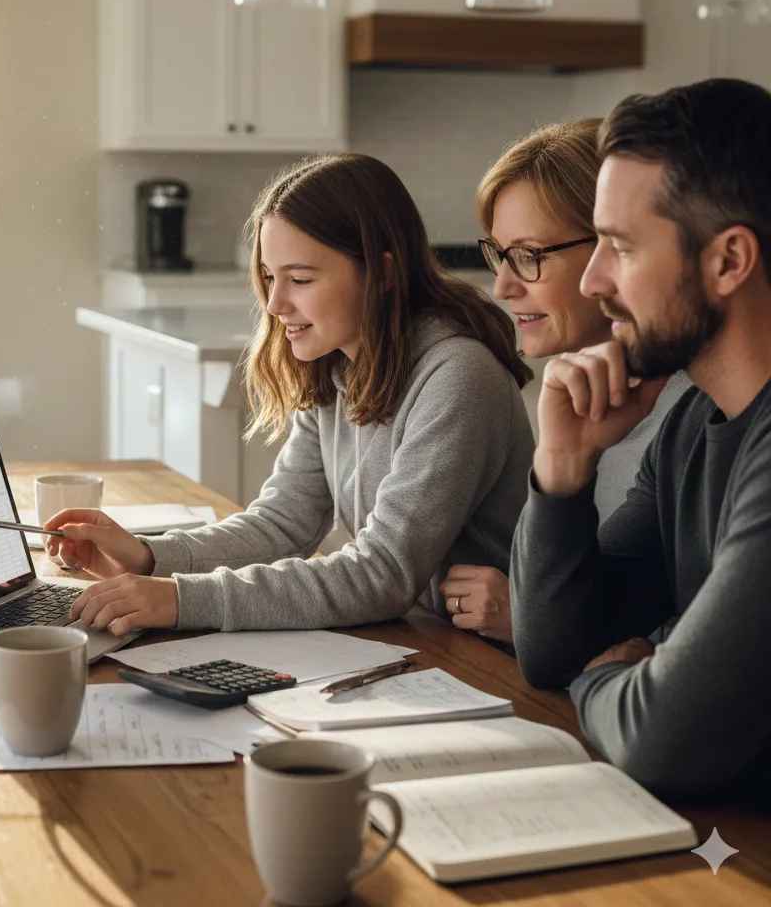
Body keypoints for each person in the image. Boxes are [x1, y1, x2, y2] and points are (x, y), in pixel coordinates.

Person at [46, 153, 535, 635]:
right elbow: (282, 525)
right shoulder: (336, 364)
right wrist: (149, 557)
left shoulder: (459, 379)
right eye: (269, 278)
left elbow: (381, 574)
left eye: (300, 279)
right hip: (431, 635)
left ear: (384, 275)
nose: (276, 304)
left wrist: (179, 599)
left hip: (497, 659)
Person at [511, 78, 771, 803]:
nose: (593, 280)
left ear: (728, 261)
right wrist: (563, 467)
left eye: (619, 248)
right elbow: (551, 650)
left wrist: (601, 680)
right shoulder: (694, 422)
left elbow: (665, 735)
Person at [441, 122, 691, 644]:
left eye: (529, 256)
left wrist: (528, 620)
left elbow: (698, 646)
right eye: (499, 256)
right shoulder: (578, 396)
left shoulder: (695, 417)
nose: (504, 286)